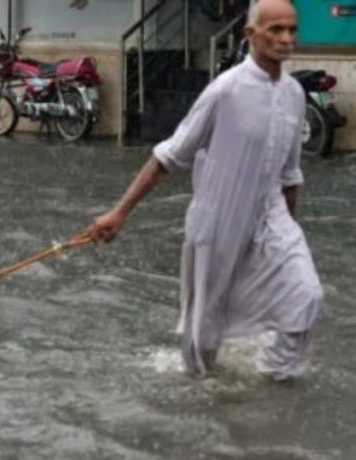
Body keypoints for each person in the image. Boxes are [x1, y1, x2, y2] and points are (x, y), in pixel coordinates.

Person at [86, 0, 323, 381]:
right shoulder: (225, 90)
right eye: (275, 30)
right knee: (205, 327)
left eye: (292, 30)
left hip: (271, 215)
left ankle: (274, 383)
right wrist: (119, 213)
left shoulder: (295, 94)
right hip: (218, 219)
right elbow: (169, 155)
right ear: (250, 35)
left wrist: (291, 236)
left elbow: (290, 174)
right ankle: (200, 394)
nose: (286, 39)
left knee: (306, 296)